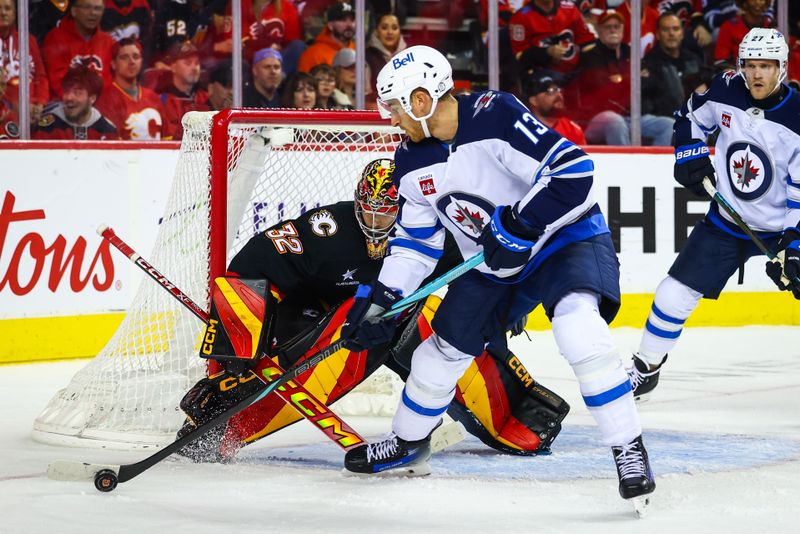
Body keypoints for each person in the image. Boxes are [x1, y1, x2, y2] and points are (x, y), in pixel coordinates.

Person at [340, 45, 655, 509]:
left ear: (421, 101)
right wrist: (386, 300)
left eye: (393, 106)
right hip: (492, 265)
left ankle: (629, 448)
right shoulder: (409, 161)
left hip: (561, 240)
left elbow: (574, 171)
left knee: (577, 328)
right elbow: (416, 244)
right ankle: (407, 444)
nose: (390, 118)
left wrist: (519, 222)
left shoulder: (496, 115)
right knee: (438, 354)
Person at [175, 158, 569, 462]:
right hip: (309, 318)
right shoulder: (327, 228)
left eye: (388, 212)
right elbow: (254, 264)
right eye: (370, 210)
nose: (377, 222)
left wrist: (509, 301)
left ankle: (513, 412)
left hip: (380, 322)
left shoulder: (434, 231)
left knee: (435, 323)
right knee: (345, 324)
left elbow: (485, 276)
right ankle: (221, 423)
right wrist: (237, 346)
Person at [627, 27, 800, 401]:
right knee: (672, 296)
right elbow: (690, 118)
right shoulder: (724, 90)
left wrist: (794, 245)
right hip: (727, 220)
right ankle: (645, 368)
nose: (757, 74)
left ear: (782, 67)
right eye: (750, 65)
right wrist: (689, 152)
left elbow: (798, 194)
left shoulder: (797, 119)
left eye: (766, 66)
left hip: (781, 229)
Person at [575, 9, 674, 145]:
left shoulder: (631, 52)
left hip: (633, 116)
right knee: (615, 121)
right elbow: (602, 88)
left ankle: (653, 165)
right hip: (598, 118)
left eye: (616, 26)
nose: (613, 30)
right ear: (599, 30)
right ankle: (625, 166)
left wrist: (621, 80)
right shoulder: (591, 56)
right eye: (608, 27)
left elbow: (650, 82)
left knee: (668, 124)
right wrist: (632, 79)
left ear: (623, 29)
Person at [41, 0, 115, 100]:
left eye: (97, 8)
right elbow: (59, 83)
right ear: (74, 11)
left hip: (101, 104)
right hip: (65, 103)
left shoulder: (108, 41)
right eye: (87, 7)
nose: (93, 13)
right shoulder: (55, 38)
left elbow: (111, 81)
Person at [642, 12, 711, 118]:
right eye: (666, 29)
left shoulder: (693, 59)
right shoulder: (650, 63)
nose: (671, 33)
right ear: (658, 34)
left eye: (676, 29)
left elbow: (706, 84)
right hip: (669, 120)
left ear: (682, 34)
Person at [96, 38, 165, 140]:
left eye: (136, 57)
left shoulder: (153, 97)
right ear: (113, 64)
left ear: (141, 61)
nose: (132, 62)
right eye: (124, 57)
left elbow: (166, 138)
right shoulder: (105, 99)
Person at [508, 0, 596, 77]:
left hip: (575, 72)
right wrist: (547, 52)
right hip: (540, 75)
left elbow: (587, 40)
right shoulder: (521, 17)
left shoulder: (570, 9)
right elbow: (520, 55)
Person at [33, 64, 119, 140]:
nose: (69, 97)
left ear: (92, 98)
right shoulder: (47, 126)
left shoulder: (107, 130)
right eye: (66, 91)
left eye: (78, 93)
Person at [0, 0, 49, 124]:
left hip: (32, 108)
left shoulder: (27, 39)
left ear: (15, 13)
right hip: (6, 109)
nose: (3, 13)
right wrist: (14, 106)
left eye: (7, 8)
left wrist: (40, 104)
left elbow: (40, 76)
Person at [160, 40, 210, 141]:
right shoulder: (161, 101)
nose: (194, 68)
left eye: (197, 63)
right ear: (173, 67)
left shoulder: (206, 98)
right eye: (188, 63)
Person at [523, 71, 586, 145]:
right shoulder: (523, 129)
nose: (559, 95)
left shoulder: (573, 129)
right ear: (534, 101)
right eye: (551, 90)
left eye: (559, 90)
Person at [714, 0, 772, 71]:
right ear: (744, 3)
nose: (758, 2)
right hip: (738, 76)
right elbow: (721, 61)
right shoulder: (729, 26)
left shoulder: (773, 27)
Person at [297, 1, 355, 73]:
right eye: (343, 20)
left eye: (352, 20)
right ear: (330, 26)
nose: (349, 25)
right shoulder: (313, 55)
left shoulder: (357, 50)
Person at [365, 13, 407, 96]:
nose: (390, 32)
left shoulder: (408, 55)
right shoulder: (366, 56)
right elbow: (366, 94)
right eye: (384, 28)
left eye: (394, 28)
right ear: (376, 31)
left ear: (399, 32)